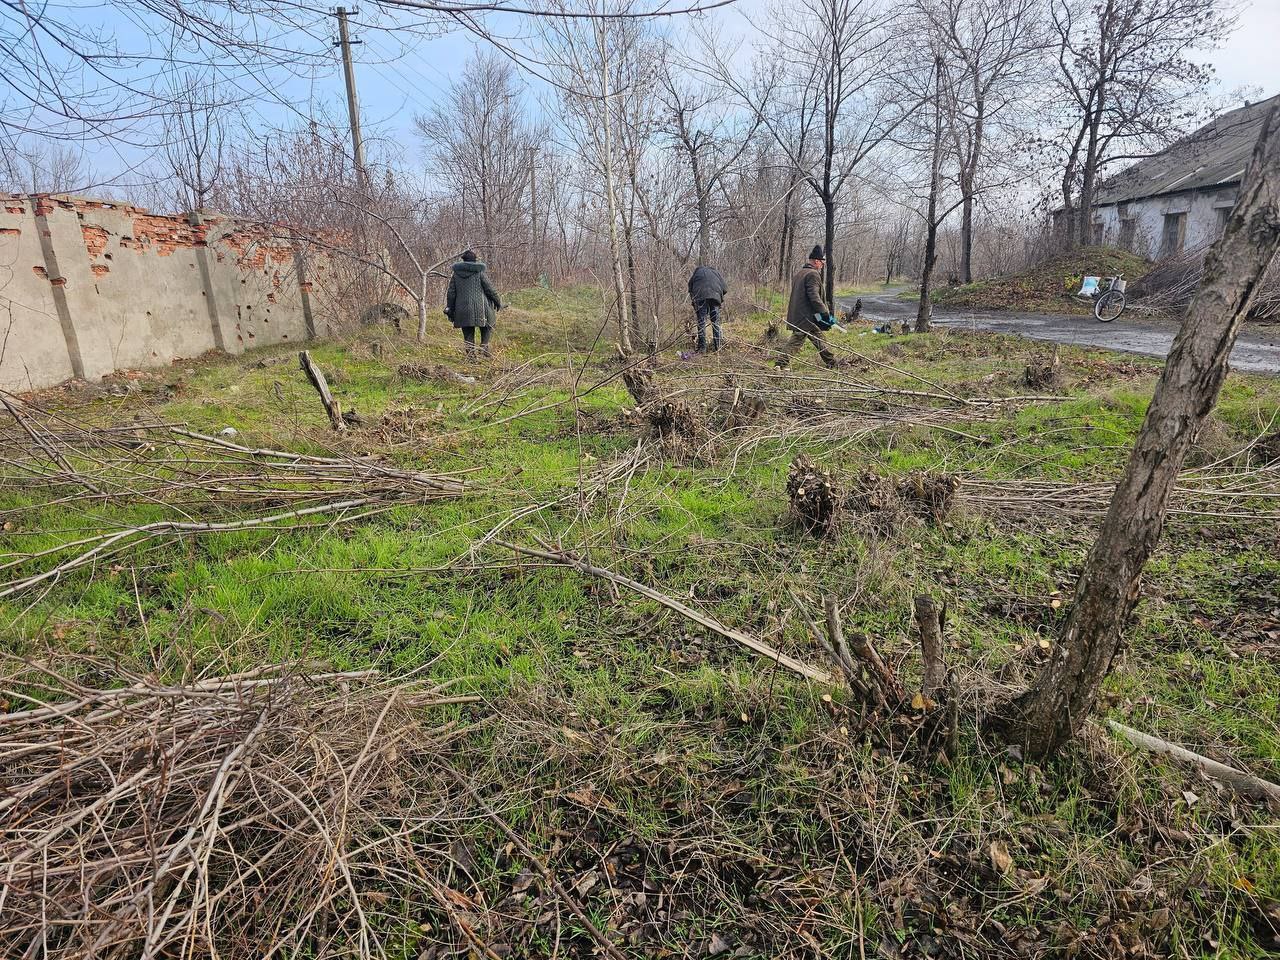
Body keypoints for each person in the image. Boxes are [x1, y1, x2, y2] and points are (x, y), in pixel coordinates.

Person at [777, 244, 838, 369]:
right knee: (798, 340)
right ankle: (780, 364)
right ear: (816, 261)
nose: (823, 264)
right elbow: (814, 297)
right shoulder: (813, 274)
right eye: (822, 261)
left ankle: (832, 363)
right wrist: (824, 312)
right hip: (806, 317)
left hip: (802, 316)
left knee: (818, 338)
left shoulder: (801, 273)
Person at [445, 249, 502, 358]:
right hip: (481, 308)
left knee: (468, 332)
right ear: (475, 260)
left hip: (462, 309)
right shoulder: (479, 273)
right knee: (488, 324)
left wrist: (449, 308)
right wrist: (498, 302)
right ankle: (484, 348)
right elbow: (490, 289)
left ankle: (471, 356)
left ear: (463, 260)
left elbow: (451, 293)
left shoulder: (456, 275)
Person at [687, 264, 729, 353]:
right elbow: (725, 289)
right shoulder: (716, 272)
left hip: (700, 297)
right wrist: (718, 296)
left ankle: (702, 348)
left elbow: (690, 288)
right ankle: (718, 347)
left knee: (701, 322)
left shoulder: (697, 272)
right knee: (715, 322)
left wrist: (694, 300)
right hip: (715, 297)